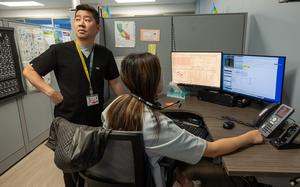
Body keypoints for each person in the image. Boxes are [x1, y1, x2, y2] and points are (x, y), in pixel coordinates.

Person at [101, 52, 264, 187]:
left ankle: (185, 181)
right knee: (220, 172)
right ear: (154, 80)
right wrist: (250, 136)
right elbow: (213, 150)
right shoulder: (157, 125)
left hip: (120, 176)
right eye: (160, 73)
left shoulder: (113, 106)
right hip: (150, 178)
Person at [23, 4, 125, 187]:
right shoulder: (59, 51)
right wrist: (50, 91)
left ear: (97, 27)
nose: (81, 23)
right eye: (78, 19)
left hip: (95, 121)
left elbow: (115, 82)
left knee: (94, 167)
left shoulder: (104, 54)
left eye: (87, 19)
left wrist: (127, 104)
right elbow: (29, 71)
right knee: (69, 169)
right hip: (67, 122)